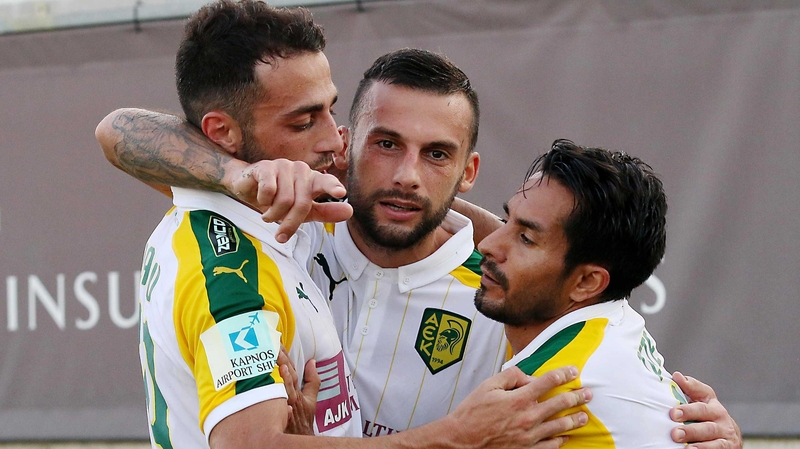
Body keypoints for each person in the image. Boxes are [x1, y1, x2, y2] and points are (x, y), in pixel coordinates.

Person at [96, 4, 741, 447]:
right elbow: (119, 131)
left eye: (437, 154)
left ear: (468, 171)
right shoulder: (290, 215)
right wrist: (236, 173)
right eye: (386, 144)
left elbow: (610, 362)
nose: (407, 174)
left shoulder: (499, 288)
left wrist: (697, 431)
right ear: (348, 142)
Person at [475, 139, 701, 447]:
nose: (487, 245)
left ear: (587, 283)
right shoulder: (611, 321)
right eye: (505, 220)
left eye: (526, 238)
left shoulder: (551, 389)